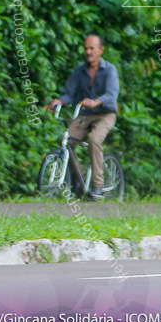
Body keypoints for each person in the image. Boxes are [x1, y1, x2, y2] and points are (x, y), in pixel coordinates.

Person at [45, 34, 120, 201]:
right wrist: (60, 101)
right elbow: (69, 93)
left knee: (94, 139)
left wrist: (96, 102)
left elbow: (111, 94)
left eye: (92, 48)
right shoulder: (79, 71)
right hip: (84, 115)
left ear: (101, 50)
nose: (88, 52)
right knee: (66, 140)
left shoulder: (109, 70)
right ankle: (79, 179)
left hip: (105, 114)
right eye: (86, 48)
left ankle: (98, 185)